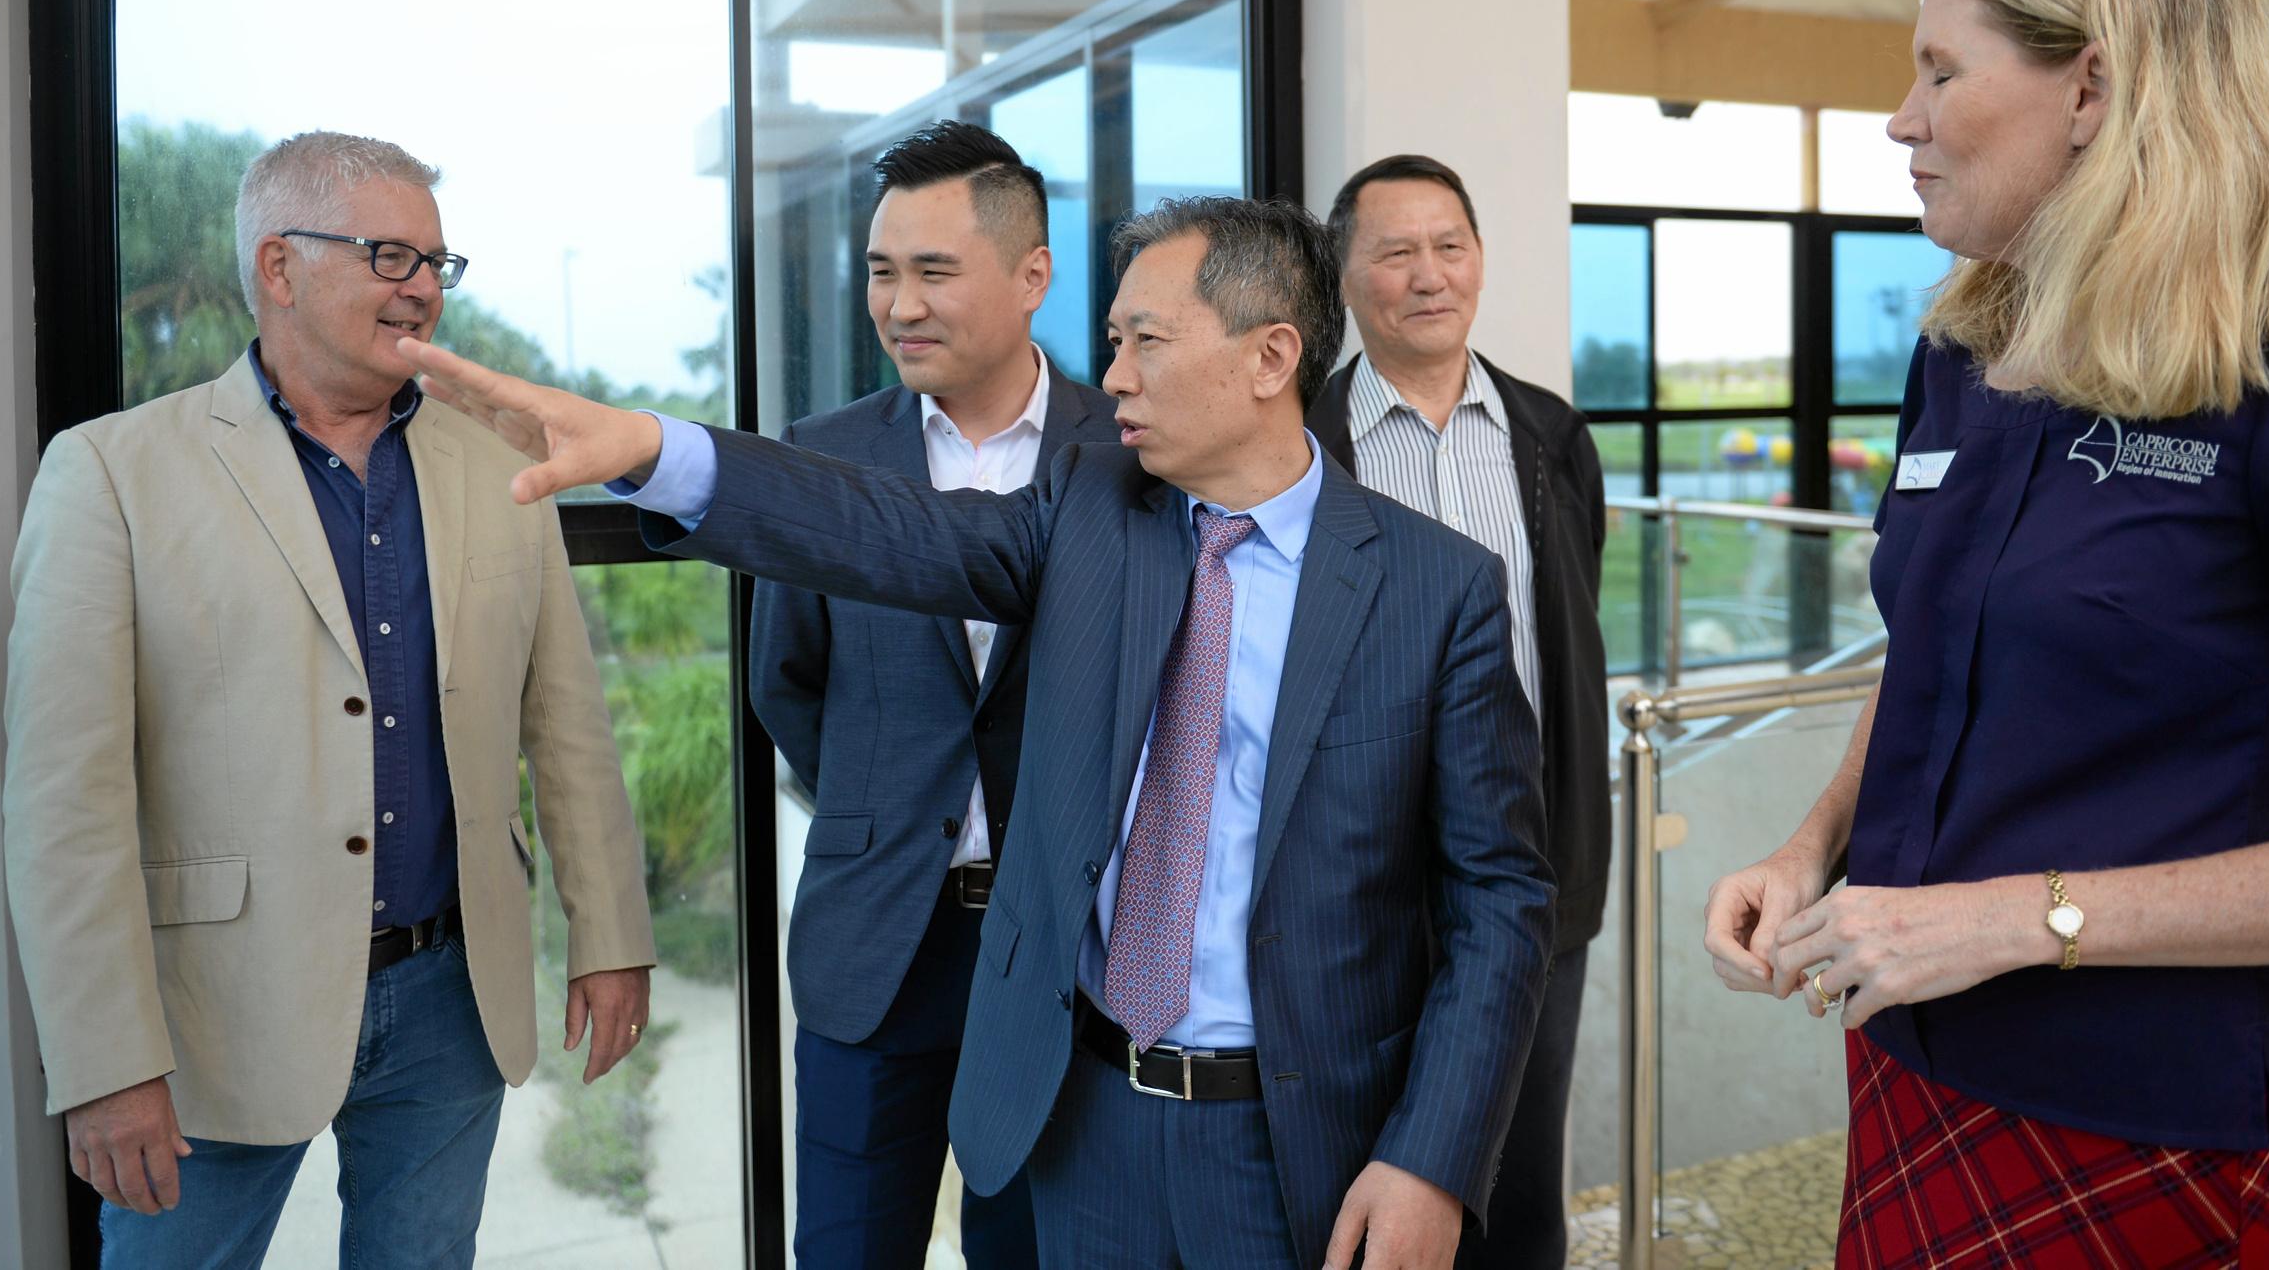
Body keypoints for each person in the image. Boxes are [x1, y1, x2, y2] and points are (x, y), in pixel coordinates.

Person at [402, 195, 1554, 1270]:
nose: (1114, 375)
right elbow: (886, 525)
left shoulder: (1435, 588)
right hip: (1086, 1119)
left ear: (1269, 358)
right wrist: (662, 453)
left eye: (1147, 341)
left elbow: (1498, 900)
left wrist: (1429, 1158)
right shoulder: (1096, 507)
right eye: (1112, 339)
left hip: (1296, 1138)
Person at [1702, 0, 2269, 1265]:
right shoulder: (1965, 345)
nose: (1900, 120)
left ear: (2090, 88)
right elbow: (1929, 655)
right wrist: (1809, 849)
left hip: (2172, 1124)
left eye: (1937, 70)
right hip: (1912, 1062)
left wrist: (2028, 920)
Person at [4, 132, 656, 1268]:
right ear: (279, 267)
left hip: (454, 998)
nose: (421, 288)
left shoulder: (497, 460)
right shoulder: (112, 473)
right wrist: (105, 1059)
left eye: (437, 265)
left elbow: (565, 720)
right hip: (213, 1019)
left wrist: (611, 934)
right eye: (390, 254)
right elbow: (66, 803)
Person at [752, 122, 1118, 1267]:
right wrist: (885, 801)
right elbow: (788, 683)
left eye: (932, 271)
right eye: (880, 271)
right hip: (876, 944)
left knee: (1033, 1252)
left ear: (1032, 276)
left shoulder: (1126, 454)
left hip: (1067, 953)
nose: (898, 303)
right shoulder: (826, 458)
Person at [1309, 153, 1608, 1270]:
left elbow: (1568, 637)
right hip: (1352, 885)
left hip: (1530, 877)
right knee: (1356, 1193)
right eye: (1395, 252)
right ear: (1345, 276)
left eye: (1450, 246)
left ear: (1479, 260)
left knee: (1518, 1194)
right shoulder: (1301, 448)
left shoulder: (1550, 440)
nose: (1428, 275)